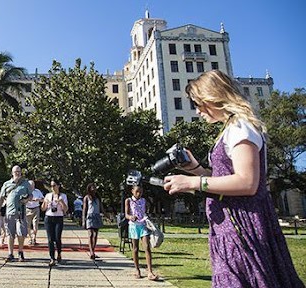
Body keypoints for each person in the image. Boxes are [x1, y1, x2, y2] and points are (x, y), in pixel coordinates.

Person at [163, 70, 304, 288]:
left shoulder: (241, 127)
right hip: (229, 228)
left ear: (214, 97)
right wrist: (197, 170)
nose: (198, 111)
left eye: (199, 104)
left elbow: (247, 183)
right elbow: (226, 180)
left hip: (242, 227)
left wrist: (192, 183)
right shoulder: (232, 128)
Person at [0, 165, 32, 262]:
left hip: (21, 212)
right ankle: (10, 253)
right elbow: (1, 197)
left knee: (21, 232)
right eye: (16, 171)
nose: (18, 173)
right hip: (9, 212)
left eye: (19, 171)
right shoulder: (6, 184)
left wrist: (26, 200)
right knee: (10, 233)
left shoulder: (26, 184)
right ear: (12, 173)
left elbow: (31, 195)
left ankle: (20, 252)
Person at [125, 185, 158, 280]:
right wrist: (131, 217)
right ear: (132, 191)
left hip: (143, 225)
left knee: (147, 247)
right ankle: (137, 270)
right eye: (137, 191)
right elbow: (126, 214)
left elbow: (145, 211)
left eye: (141, 192)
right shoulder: (128, 200)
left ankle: (150, 272)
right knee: (135, 248)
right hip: (133, 226)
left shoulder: (143, 200)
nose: (139, 194)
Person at [41, 179, 68, 266]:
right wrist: (46, 203)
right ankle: (52, 258)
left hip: (58, 218)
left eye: (54, 186)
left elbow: (65, 209)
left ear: (58, 186)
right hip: (49, 217)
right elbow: (43, 208)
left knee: (57, 238)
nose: (52, 188)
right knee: (50, 239)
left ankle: (59, 254)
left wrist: (61, 202)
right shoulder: (48, 195)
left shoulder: (63, 196)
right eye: (51, 186)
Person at [82, 183, 104, 260]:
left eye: (95, 187)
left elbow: (101, 207)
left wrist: (106, 214)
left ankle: (93, 251)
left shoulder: (98, 197)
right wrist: (83, 220)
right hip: (90, 216)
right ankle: (91, 252)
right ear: (89, 189)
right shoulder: (86, 197)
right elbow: (84, 209)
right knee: (90, 234)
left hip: (97, 216)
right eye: (92, 187)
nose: (94, 189)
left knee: (95, 235)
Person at [26, 180, 44, 245]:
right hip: (27, 209)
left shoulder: (38, 191)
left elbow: (43, 199)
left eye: (33, 185)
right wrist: (28, 199)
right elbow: (22, 200)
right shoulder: (25, 191)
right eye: (30, 185)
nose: (31, 186)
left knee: (35, 225)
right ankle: (30, 238)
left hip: (36, 208)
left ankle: (34, 238)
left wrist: (38, 199)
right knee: (27, 225)